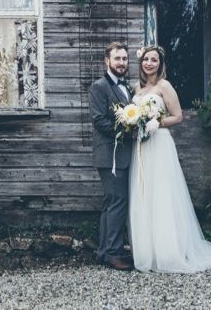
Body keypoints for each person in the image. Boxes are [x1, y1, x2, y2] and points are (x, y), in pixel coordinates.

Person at [128, 45, 211, 273]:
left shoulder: (165, 86)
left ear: (160, 64)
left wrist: (158, 123)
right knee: (144, 194)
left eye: (154, 60)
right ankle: (147, 252)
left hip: (159, 143)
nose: (149, 63)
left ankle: (167, 251)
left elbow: (178, 116)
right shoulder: (137, 87)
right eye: (146, 59)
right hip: (141, 146)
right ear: (141, 63)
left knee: (161, 194)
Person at [89, 41, 134, 270]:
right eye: (117, 58)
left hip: (120, 153)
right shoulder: (99, 86)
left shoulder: (126, 87)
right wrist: (128, 127)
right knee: (118, 201)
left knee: (110, 203)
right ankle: (114, 253)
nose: (121, 62)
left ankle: (104, 252)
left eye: (125, 59)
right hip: (109, 153)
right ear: (107, 61)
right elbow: (99, 120)